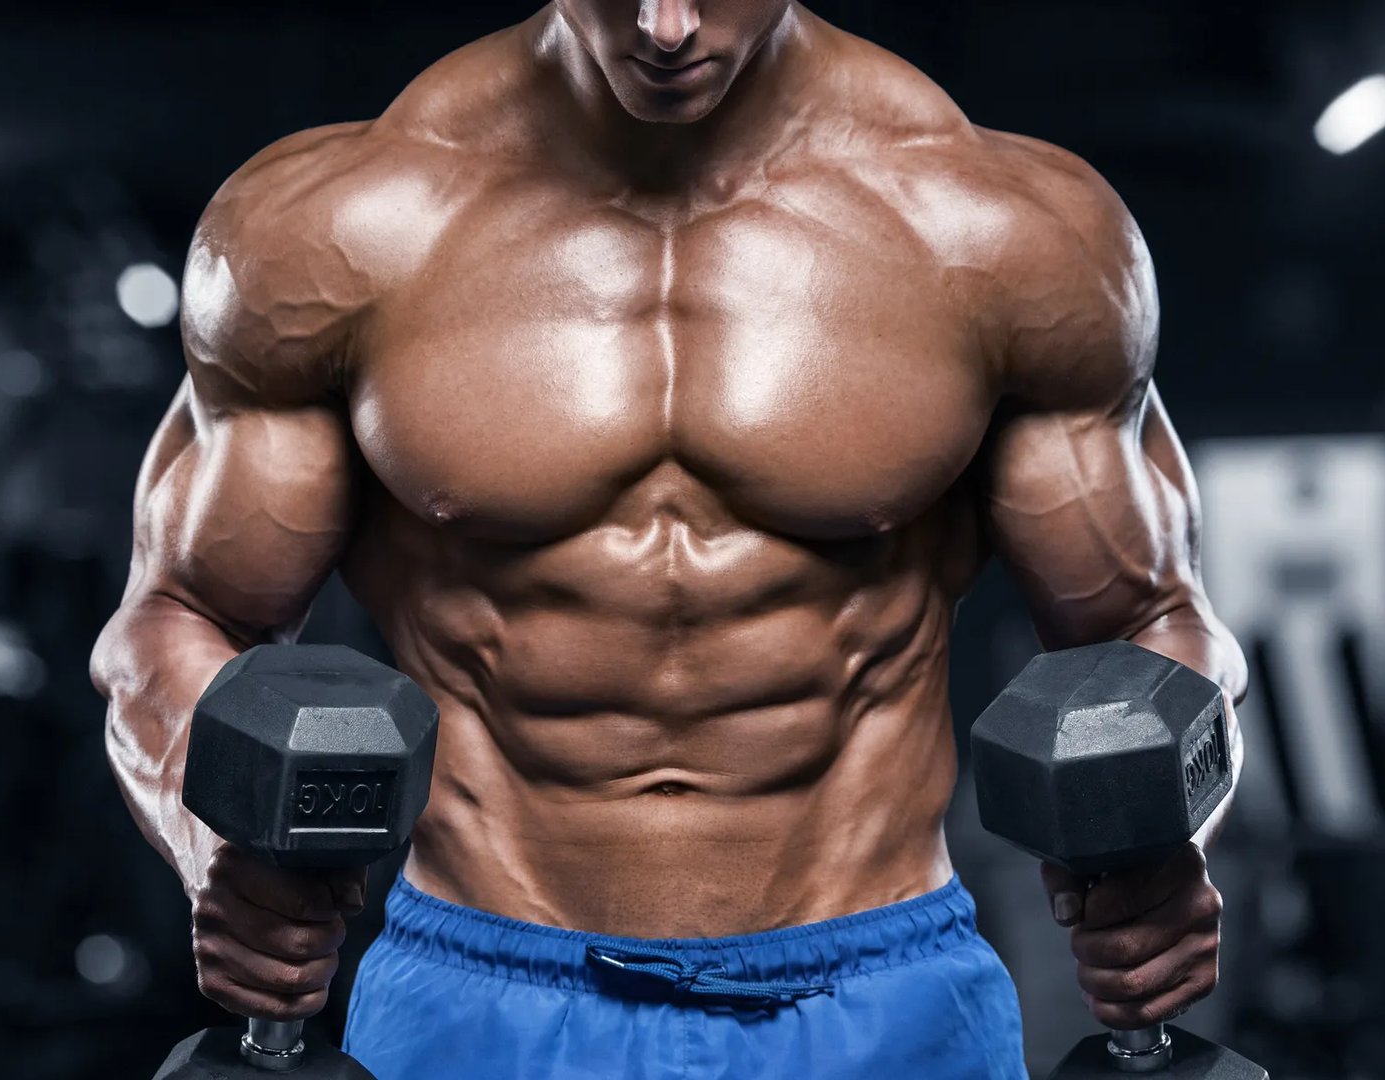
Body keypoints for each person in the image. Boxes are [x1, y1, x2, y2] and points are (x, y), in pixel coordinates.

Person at [90, 2, 1248, 1076]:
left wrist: (1157, 849)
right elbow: (183, 614)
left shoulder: (1003, 231)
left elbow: (1150, 621)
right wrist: (217, 858)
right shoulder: (338, 229)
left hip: (883, 994)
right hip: (481, 992)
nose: (666, 26)